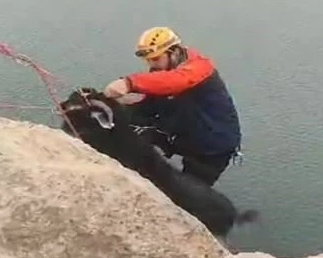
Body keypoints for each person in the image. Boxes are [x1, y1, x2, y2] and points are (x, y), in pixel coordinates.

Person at [102, 26, 242, 187]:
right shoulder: (166, 69)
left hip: (212, 145)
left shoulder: (198, 67)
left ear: (174, 52)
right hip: (184, 129)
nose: (151, 64)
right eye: (148, 60)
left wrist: (129, 83)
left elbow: (175, 82)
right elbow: (155, 96)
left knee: (189, 191)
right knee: (134, 129)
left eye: (156, 59)